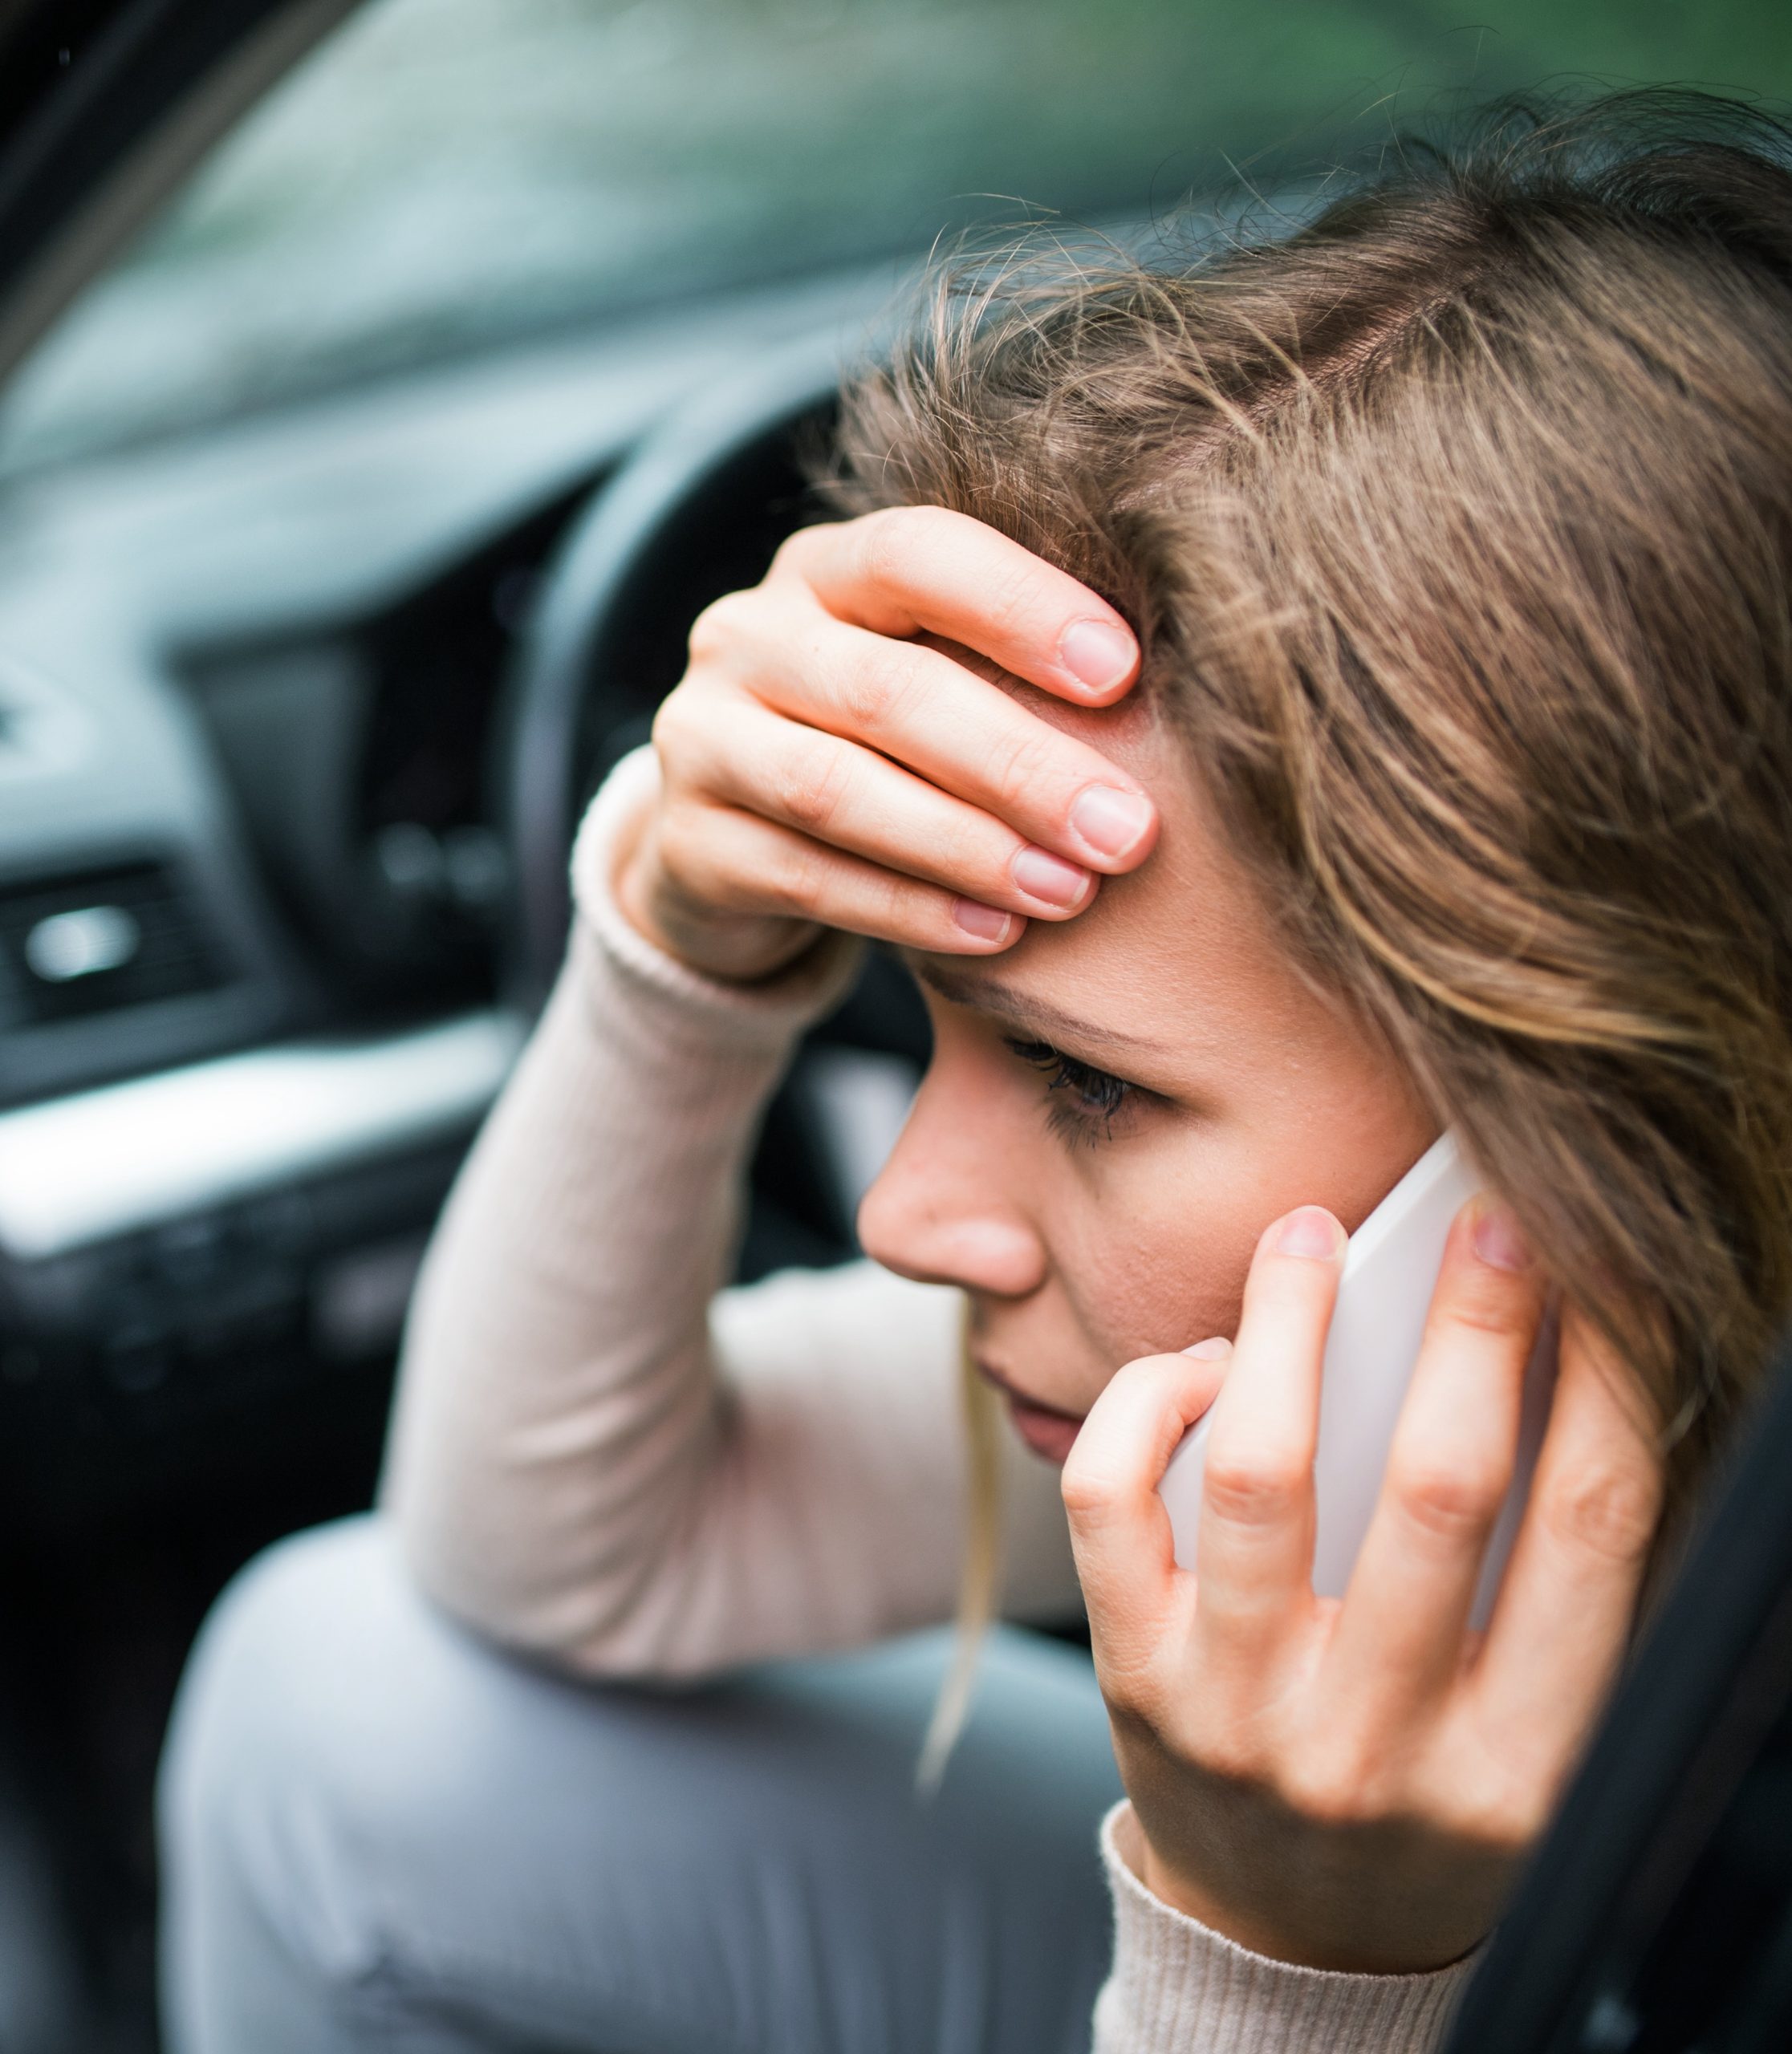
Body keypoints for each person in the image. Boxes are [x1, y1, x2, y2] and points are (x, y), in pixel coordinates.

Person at [159, 92, 1792, 2054]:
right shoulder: (1292, 1393)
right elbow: (566, 1555)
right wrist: (676, 939)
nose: (902, 1212)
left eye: (1088, 1082)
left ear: (1622, 1126)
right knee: (348, 1694)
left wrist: (1275, 1981)